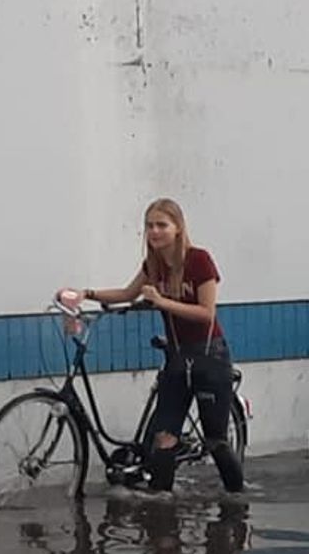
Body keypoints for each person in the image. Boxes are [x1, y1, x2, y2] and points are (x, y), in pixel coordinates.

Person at [60, 198, 244, 492]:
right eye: (149, 226)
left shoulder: (199, 261)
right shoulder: (154, 265)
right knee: (164, 436)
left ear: (178, 228)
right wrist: (86, 293)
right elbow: (126, 292)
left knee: (215, 440)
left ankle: (238, 503)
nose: (154, 232)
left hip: (209, 356)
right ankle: (162, 509)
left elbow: (206, 314)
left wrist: (162, 302)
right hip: (176, 358)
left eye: (162, 225)